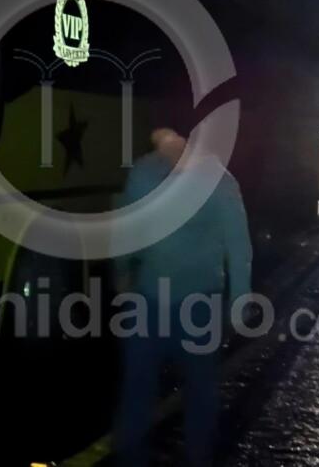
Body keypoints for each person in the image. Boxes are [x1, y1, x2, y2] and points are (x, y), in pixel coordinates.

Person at [113, 128, 253, 466]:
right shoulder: (220, 181)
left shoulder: (145, 172)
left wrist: (122, 272)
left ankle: (132, 457)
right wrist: (239, 302)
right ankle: (197, 456)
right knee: (200, 388)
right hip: (199, 303)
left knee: (139, 387)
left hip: (149, 299)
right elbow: (238, 246)